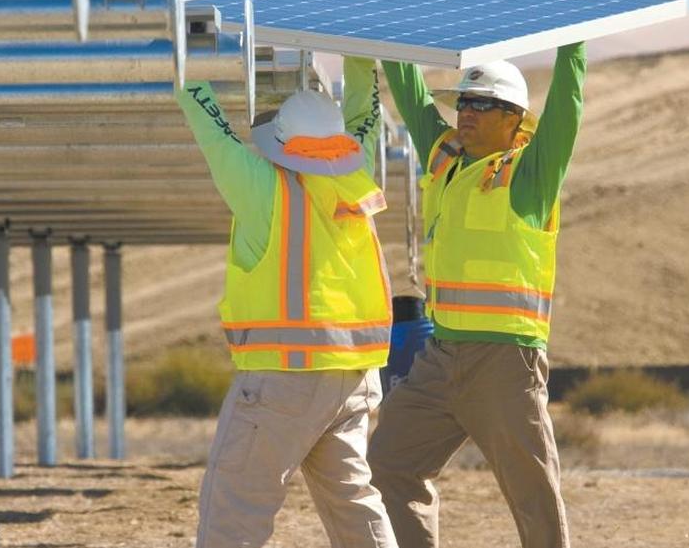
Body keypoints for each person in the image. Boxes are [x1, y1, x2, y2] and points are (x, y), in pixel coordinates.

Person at [368, 42, 586, 548]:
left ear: (514, 118)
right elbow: (410, 91)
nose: (465, 112)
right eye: (463, 102)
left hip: (506, 362)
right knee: (389, 464)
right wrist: (384, 35)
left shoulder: (531, 173)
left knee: (533, 494)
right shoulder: (444, 158)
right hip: (439, 357)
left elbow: (567, 109)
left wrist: (573, 44)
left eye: (482, 104)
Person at [176, 56, 398, 548]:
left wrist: (184, 57)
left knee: (235, 507)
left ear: (280, 143)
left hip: (285, 379)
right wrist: (360, 55)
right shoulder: (356, 175)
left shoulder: (264, 188)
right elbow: (365, 115)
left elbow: (213, 133)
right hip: (355, 378)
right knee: (353, 504)